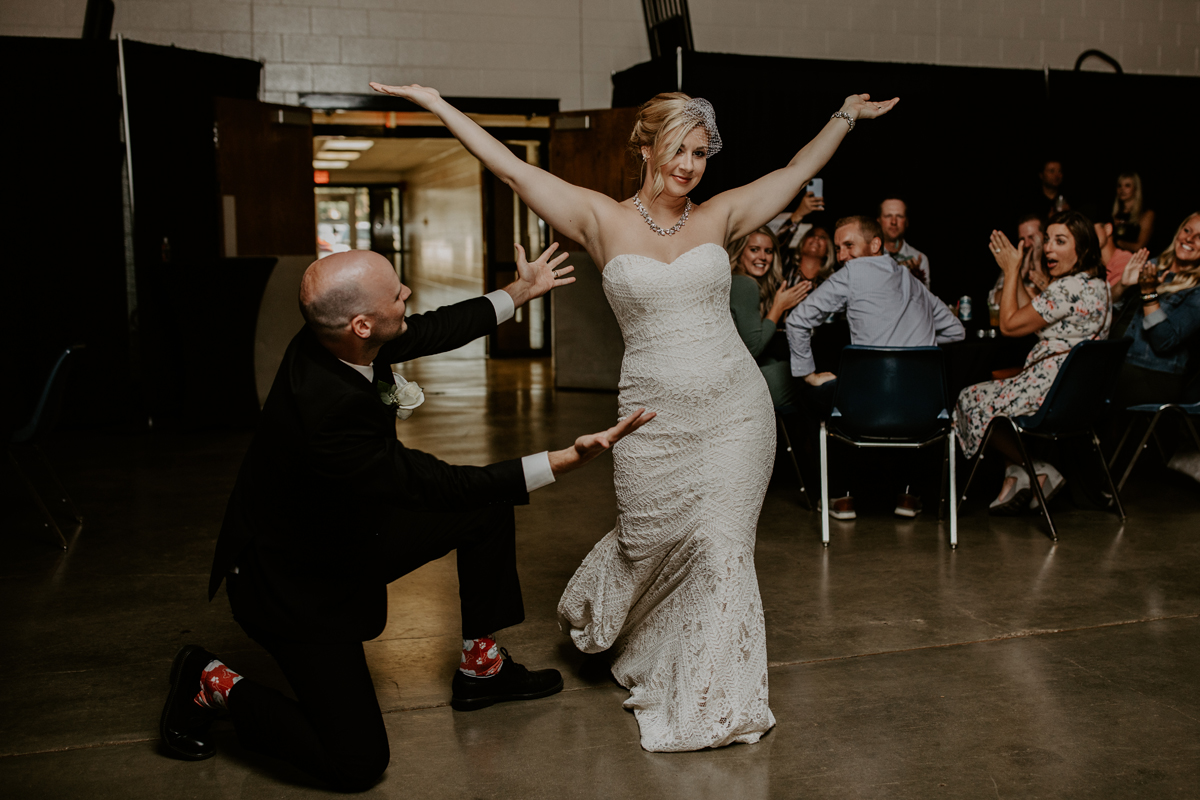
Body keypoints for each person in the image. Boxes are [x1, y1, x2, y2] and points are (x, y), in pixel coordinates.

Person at [367, 80, 897, 751]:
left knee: (722, 548)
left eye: (700, 153)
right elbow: (513, 169)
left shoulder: (722, 215)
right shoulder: (599, 218)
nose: (690, 165)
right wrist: (438, 105)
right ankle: (626, 624)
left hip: (735, 410)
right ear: (645, 148)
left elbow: (796, 170)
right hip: (652, 419)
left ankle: (714, 703)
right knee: (646, 542)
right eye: (678, 149)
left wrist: (846, 115)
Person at [158, 247, 655, 790]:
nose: (408, 295)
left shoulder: (338, 340)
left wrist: (519, 292)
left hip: (343, 529)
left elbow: (432, 329)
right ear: (362, 324)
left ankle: (481, 667)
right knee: (357, 762)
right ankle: (209, 681)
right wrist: (562, 461)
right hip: (293, 585)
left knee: (485, 510)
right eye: (397, 294)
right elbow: (435, 484)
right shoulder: (328, 412)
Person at [786, 215, 965, 518]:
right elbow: (957, 331)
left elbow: (797, 320)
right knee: (896, 406)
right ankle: (909, 494)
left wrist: (808, 374)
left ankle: (842, 495)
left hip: (866, 408)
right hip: (922, 410)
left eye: (848, 245)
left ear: (875, 244)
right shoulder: (913, 281)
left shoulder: (852, 273)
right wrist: (917, 342)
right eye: (838, 248)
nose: (841, 256)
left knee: (811, 397)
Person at [955, 211, 1111, 514]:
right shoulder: (1096, 285)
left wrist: (1011, 270)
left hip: (1051, 394)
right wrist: (1020, 276)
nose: (1048, 247)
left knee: (969, 399)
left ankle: (1036, 469)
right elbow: (1032, 317)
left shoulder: (1067, 289)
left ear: (1082, 248)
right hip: (1076, 394)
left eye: (1060, 241)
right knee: (993, 392)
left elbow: (1009, 326)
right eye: (1048, 239)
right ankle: (1018, 475)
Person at [1116, 211, 1200, 407]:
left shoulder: (1196, 291)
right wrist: (1122, 285)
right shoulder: (1153, 265)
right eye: (1187, 231)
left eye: (1199, 237)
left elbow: (1163, 341)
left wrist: (1148, 293)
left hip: (1151, 375)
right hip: (1116, 359)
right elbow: (1109, 309)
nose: (1189, 239)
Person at [727, 226, 810, 407]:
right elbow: (753, 348)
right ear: (740, 253)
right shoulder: (745, 285)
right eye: (754, 249)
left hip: (733, 373)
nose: (762, 257)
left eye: (768, 251)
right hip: (731, 382)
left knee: (778, 361)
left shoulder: (737, 281)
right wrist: (778, 307)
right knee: (799, 373)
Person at [989, 214, 1049, 307]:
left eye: (1031, 237)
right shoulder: (1016, 261)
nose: (1026, 244)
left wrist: (1037, 264)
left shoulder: (1053, 262)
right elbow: (994, 301)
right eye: (1022, 239)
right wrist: (1019, 272)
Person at [878, 197, 931, 288]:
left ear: (906, 222)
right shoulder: (868, 256)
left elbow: (926, 296)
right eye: (888, 216)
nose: (894, 222)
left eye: (899, 216)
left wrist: (916, 279)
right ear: (878, 221)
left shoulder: (919, 258)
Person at [1111, 172, 1155, 253]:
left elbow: (1139, 247)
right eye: (1119, 186)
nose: (1122, 189)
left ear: (1136, 189)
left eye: (1127, 185)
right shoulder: (1114, 214)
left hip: (1136, 258)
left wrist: (1116, 241)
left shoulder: (1146, 214)